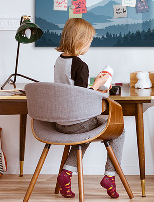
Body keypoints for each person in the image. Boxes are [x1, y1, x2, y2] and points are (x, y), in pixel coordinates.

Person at [54, 18, 124, 199]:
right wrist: (99, 84)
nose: (89, 45)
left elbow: (71, 90)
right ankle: (110, 176)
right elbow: (82, 97)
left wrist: (93, 86)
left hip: (60, 122)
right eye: (90, 41)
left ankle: (66, 174)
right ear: (80, 41)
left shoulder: (59, 61)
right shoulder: (80, 65)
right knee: (119, 130)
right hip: (77, 122)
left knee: (84, 133)